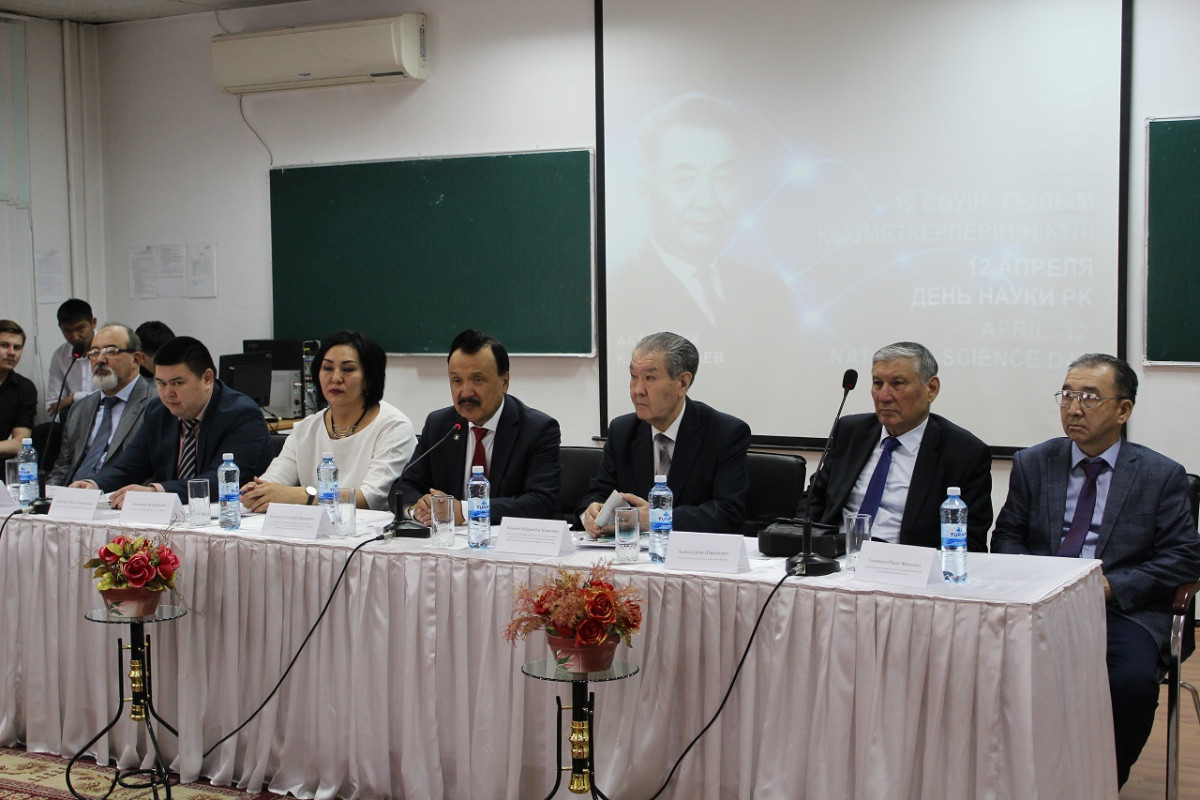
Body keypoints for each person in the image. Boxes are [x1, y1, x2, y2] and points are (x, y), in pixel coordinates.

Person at [991, 353, 1200, 788]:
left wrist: (1107, 588)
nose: (1074, 408)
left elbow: (1182, 557)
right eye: (1067, 395)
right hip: (1037, 605)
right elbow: (1007, 536)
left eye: (1089, 397)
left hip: (1121, 610)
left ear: (1123, 410)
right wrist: (1034, 582)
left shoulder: (1161, 475)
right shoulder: (1034, 463)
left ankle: (1099, 782)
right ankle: (1012, 779)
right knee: (981, 664)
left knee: (1130, 681)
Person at [800, 341, 992, 550]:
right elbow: (813, 500)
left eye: (898, 384)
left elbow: (970, 542)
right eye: (877, 383)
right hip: (836, 557)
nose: (884, 396)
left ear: (931, 389)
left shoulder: (964, 454)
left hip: (906, 564)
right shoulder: (851, 431)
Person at [578, 331, 750, 535]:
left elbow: (728, 513)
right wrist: (590, 512)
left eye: (650, 378)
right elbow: (597, 494)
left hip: (691, 550)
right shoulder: (622, 431)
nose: (638, 390)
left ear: (682, 383)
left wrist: (657, 519)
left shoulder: (724, 434)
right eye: (633, 376)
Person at [70, 335, 274, 507]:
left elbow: (221, 481)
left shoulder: (242, 414)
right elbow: (129, 466)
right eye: (161, 383)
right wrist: (93, 485)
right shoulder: (158, 411)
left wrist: (157, 492)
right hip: (175, 518)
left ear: (207, 379)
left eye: (177, 383)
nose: (167, 393)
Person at [389, 329, 561, 525]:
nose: (465, 393)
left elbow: (541, 502)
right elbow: (402, 487)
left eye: (477, 380)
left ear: (504, 382)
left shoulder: (538, 430)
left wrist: (465, 511)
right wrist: (419, 510)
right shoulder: (440, 426)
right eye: (457, 381)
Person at [241, 331, 416, 512]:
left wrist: (303, 496)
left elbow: (371, 497)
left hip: (372, 527)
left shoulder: (393, 427)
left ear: (369, 379)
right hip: (314, 526)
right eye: (327, 368)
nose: (335, 378)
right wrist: (257, 492)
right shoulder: (306, 428)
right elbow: (274, 481)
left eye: (348, 369)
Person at [47, 324, 154, 486]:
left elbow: (154, 471)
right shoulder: (79, 409)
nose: (100, 359)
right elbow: (63, 468)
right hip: (74, 493)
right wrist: (48, 495)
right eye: (94, 352)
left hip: (120, 495)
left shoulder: (156, 404)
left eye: (110, 351)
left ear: (136, 359)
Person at [46, 298, 98, 416]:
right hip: (73, 419)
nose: (74, 337)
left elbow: (114, 394)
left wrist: (74, 398)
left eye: (80, 329)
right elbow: (53, 404)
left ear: (93, 323)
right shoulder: (60, 356)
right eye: (67, 331)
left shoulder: (111, 348)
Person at [0, 320, 37, 460]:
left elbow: (21, 443)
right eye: (4, 345)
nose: (11, 353)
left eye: (17, 348)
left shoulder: (25, 388)